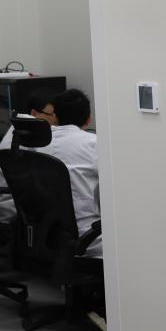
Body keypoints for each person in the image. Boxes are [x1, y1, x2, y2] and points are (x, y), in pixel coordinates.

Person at [33, 88, 102, 257]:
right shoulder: (94, 144)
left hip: (47, 234)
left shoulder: (40, 143)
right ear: (89, 119)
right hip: (87, 235)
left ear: (55, 117)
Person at [0, 88, 59, 223]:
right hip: (14, 211)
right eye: (50, 114)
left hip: (1, 206)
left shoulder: (18, 127)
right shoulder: (34, 134)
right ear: (34, 113)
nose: (54, 119)